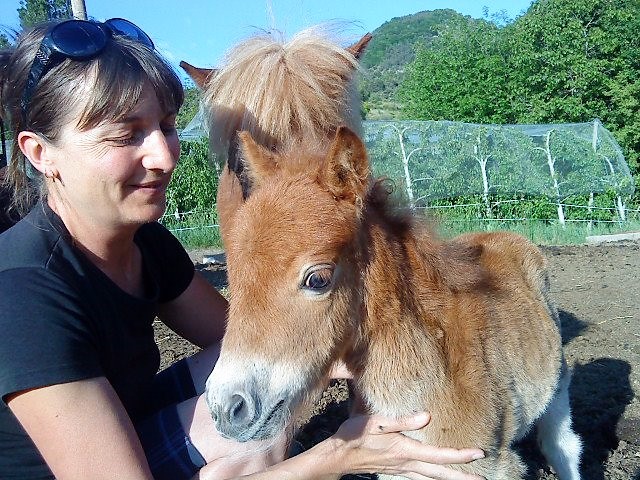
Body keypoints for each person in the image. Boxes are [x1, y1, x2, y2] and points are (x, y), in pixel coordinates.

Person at [0, 18, 485, 480]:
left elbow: (244, 334)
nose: (165, 156)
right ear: (40, 153)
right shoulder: (23, 294)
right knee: (253, 435)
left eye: (167, 126)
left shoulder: (146, 241)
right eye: (126, 136)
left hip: (130, 415)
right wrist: (338, 455)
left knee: (258, 375)